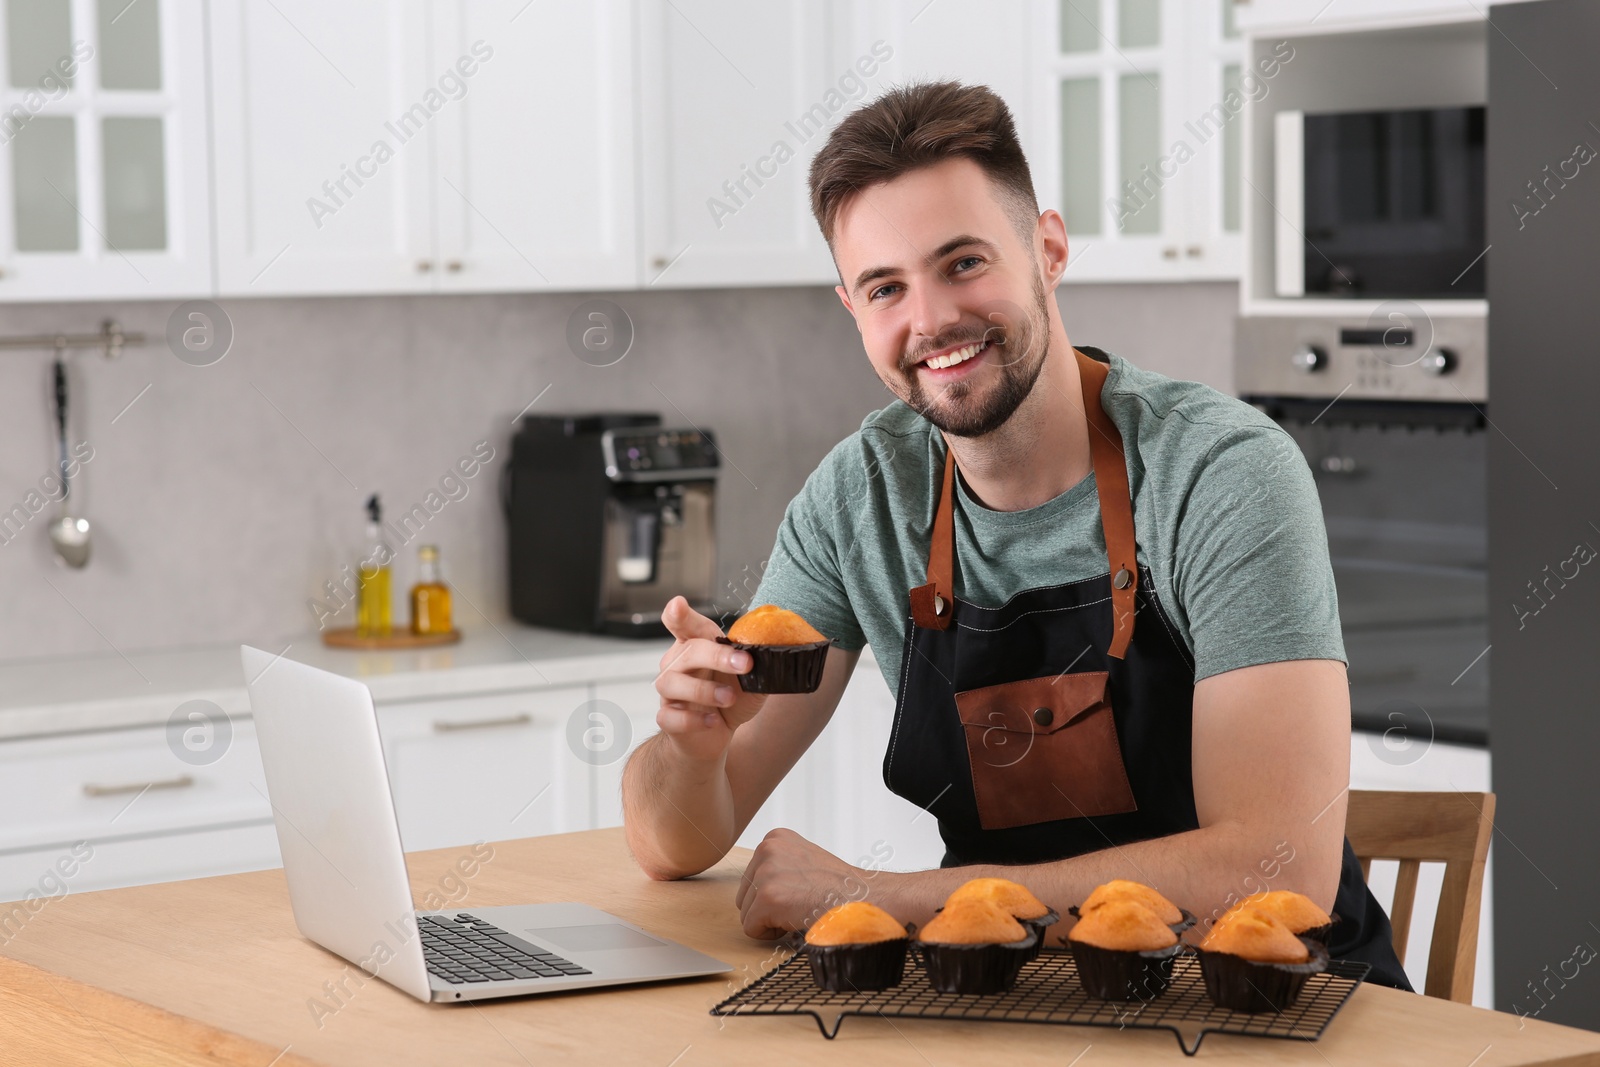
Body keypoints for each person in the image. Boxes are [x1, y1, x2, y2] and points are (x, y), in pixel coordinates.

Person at [621, 80, 1412, 990]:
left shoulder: (1219, 471)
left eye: (963, 263)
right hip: (1010, 997)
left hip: (1268, 1009)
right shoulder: (861, 496)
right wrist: (693, 745)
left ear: (1048, 248)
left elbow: (1276, 870)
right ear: (853, 309)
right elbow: (672, 843)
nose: (931, 321)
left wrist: (885, 894)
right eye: (887, 287)